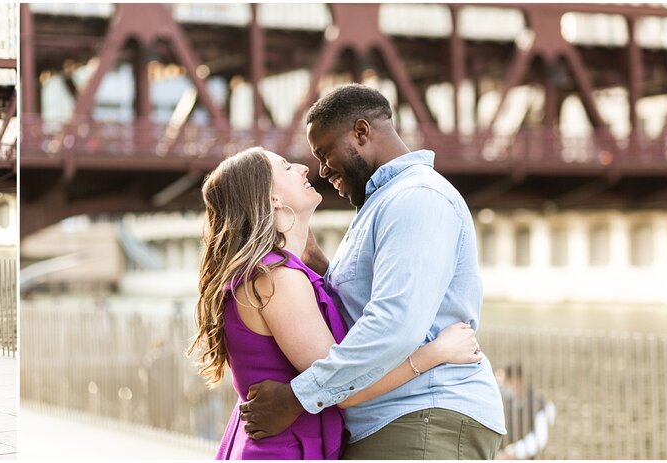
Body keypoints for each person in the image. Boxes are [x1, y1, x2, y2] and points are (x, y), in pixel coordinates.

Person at [238, 84, 507, 459]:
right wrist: (320, 264)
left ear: (361, 133)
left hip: (424, 415)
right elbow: (367, 309)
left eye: (324, 152)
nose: (321, 169)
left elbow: (395, 324)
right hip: (399, 419)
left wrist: (300, 397)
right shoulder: (383, 203)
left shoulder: (417, 197)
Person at [189, 147, 484, 459]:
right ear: (272, 199)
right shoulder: (278, 280)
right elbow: (345, 387)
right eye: (287, 167)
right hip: (283, 450)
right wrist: (434, 353)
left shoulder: (271, 274)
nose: (304, 168)